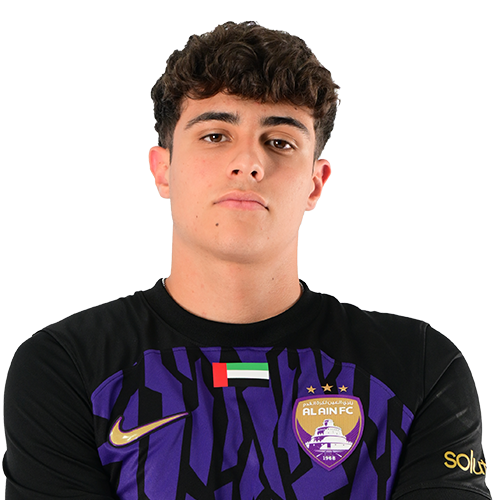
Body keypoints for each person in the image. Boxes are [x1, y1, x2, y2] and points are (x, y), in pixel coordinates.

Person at [3, 21, 490, 500]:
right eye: (216, 136)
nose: (249, 163)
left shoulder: (419, 367)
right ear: (162, 169)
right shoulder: (67, 366)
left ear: (315, 183)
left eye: (280, 141)